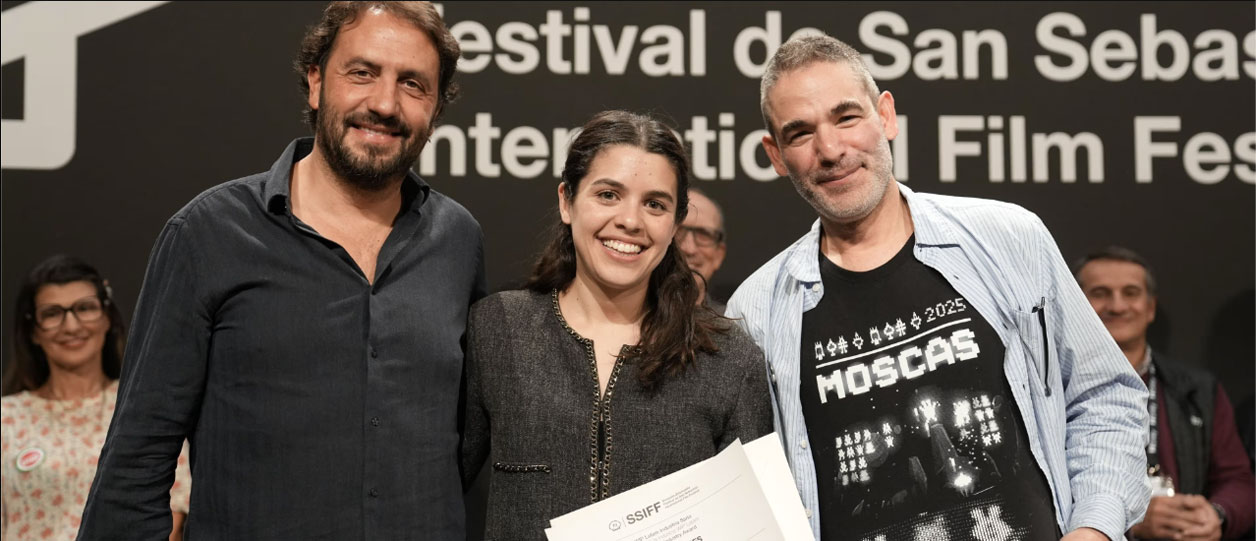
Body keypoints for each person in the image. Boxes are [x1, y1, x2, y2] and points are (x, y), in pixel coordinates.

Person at [78, 2, 484, 539]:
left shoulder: (458, 240)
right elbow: (136, 462)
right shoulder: (208, 234)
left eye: (413, 84)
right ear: (315, 82)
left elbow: (470, 446)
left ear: (435, 108)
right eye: (362, 73)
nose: (385, 104)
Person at [727, 35, 1149, 541]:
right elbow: (752, 499)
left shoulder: (1009, 237)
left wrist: (1094, 528)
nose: (831, 150)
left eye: (847, 117)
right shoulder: (756, 310)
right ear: (776, 155)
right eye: (800, 133)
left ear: (886, 115)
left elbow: (1104, 399)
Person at [460, 110, 773, 540]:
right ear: (567, 201)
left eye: (655, 204)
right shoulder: (498, 329)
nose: (630, 221)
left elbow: (754, 528)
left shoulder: (729, 359)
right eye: (608, 195)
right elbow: (433, 493)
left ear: (675, 223)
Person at [2, 255, 190, 540]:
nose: (71, 326)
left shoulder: (143, 407)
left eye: (85, 308)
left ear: (107, 318)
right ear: (33, 332)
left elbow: (169, 515)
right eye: (52, 313)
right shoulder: (6, 419)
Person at [1075, 246, 1254, 540]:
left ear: (1151, 308)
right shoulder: (1050, 392)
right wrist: (1127, 522)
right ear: (1075, 305)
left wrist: (1217, 515)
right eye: (1100, 293)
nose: (1117, 306)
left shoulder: (1198, 390)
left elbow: (1239, 480)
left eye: (1131, 293)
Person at [675, 187, 728, 313]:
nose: (689, 249)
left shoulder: (734, 323)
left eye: (704, 235)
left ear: (719, 255)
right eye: (678, 231)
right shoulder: (627, 321)